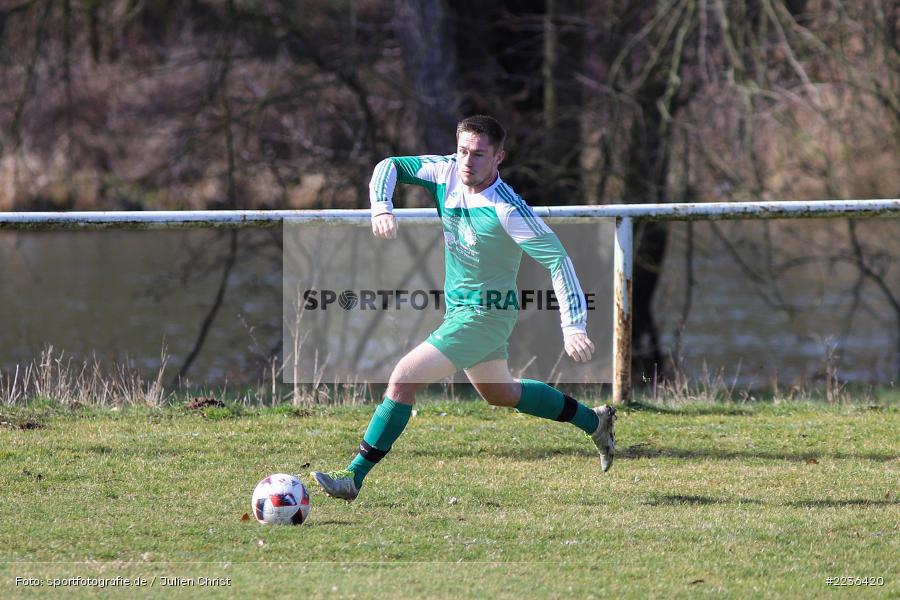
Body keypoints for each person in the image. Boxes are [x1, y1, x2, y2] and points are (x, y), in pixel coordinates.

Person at [311, 115, 615, 502]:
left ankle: (353, 477)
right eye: (463, 151)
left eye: (479, 154)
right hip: (460, 312)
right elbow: (389, 166)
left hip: (486, 315)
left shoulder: (508, 210)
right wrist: (381, 207)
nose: (468, 162)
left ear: (499, 157)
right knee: (500, 393)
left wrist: (573, 326)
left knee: (403, 378)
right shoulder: (446, 173)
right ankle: (596, 421)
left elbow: (558, 260)